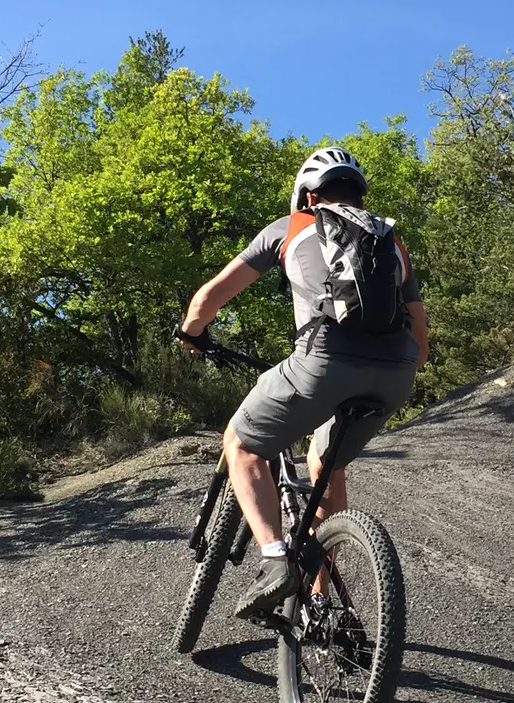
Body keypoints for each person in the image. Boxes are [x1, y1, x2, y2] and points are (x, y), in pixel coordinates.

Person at [177, 146, 428, 619]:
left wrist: (192, 334)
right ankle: (320, 598)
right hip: (395, 374)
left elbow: (209, 297)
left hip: (323, 360)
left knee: (243, 443)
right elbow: (421, 342)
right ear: (358, 193)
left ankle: (275, 562)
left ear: (308, 195)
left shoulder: (291, 227)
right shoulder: (392, 242)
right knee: (325, 463)